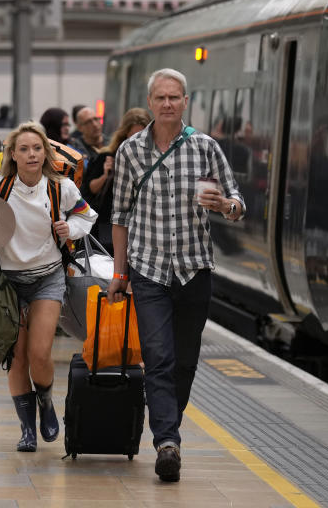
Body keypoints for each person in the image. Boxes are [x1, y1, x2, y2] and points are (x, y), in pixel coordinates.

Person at [107, 68, 245, 483]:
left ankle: (169, 425)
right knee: (158, 358)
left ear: (186, 102)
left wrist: (225, 205)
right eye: (160, 97)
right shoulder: (131, 151)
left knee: (184, 361)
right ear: (150, 103)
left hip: (194, 269)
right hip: (148, 270)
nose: (168, 104)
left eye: (175, 97)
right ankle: (168, 443)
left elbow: (237, 201)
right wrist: (119, 272)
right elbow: (120, 216)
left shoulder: (205, 148)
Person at [0, 122, 97, 452]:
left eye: (37, 148)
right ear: (13, 155)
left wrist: (69, 228)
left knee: (39, 352)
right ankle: (26, 429)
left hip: (48, 276)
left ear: (45, 153)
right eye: (24, 149)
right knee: (18, 358)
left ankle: (46, 401)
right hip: (8, 282)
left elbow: (87, 217)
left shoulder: (60, 188)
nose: (31, 154)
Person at [81, 107, 150, 252]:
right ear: (125, 134)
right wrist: (106, 175)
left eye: (142, 135)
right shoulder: (108, 156)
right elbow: (90, 189)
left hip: (141, 227)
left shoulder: (153, 158)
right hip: (108, 226)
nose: (137, 141)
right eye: (133, 136)